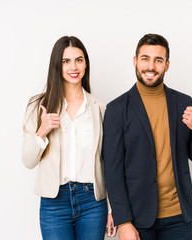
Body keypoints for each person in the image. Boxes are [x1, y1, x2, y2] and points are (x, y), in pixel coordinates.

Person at [103, 33, 192, 240]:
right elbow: (112, 170)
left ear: (167, 65)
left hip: (180, 217)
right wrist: (123, 221)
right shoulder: (117, 109)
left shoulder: (182, 102)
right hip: (137, 218)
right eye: (145, 58)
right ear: (135, 61)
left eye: (158, 60)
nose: (151, 66)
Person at [22, 36, 117, 240]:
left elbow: (109, 163)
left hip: (93, 201)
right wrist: (42, 131)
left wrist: (112, 209)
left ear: (85, 64)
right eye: (66, 61)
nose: (73, 67)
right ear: (57, 65)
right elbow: (28, 161)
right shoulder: (39, 106)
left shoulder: (101, 108)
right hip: (54, 203)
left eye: (79, 60)